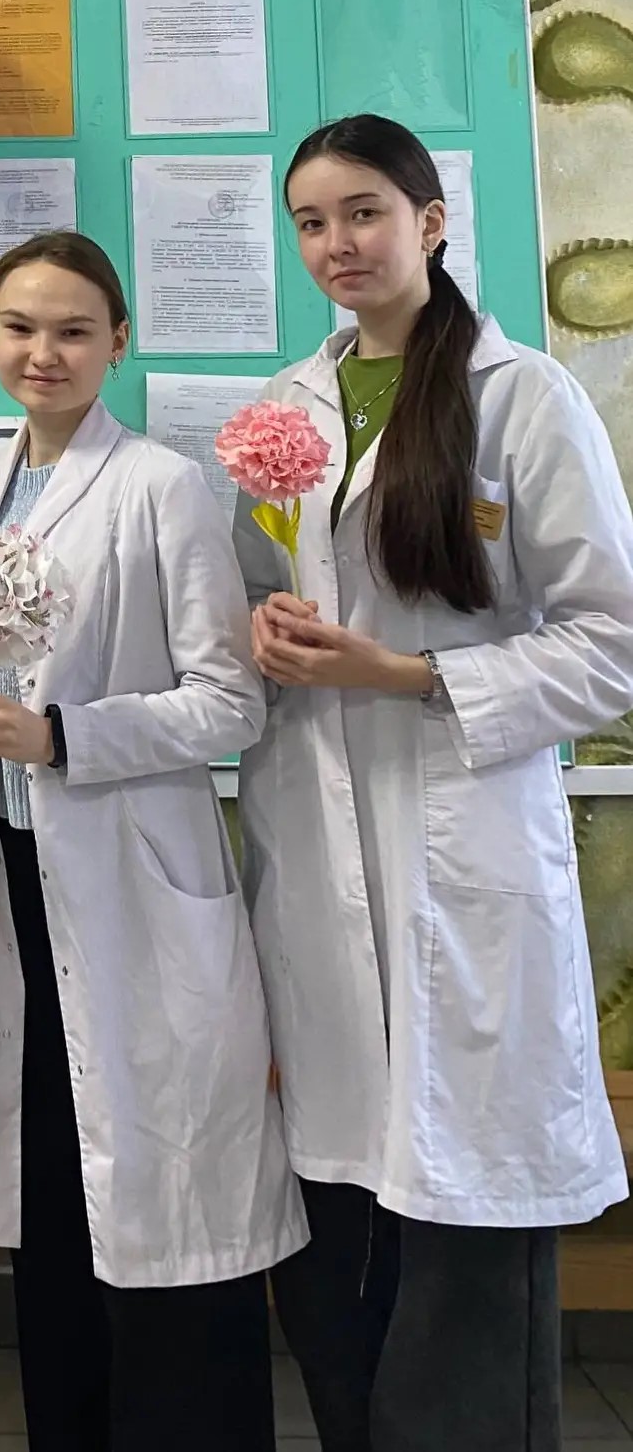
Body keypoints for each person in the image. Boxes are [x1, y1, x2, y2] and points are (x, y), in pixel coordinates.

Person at [0, 232, 304, 1451]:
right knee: (56, 1190)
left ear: (118, 342)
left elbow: (230, 704)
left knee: (165, 1198)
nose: (42, 352)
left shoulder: (162, 486)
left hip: (129, 884)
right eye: (19, 327)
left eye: (71, 330)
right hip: (11, 881)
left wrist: (59, 736)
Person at [237, 114, 633, 1452]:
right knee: (340, 1242)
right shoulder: (284, 409)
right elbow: (263, 596)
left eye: (361, 212)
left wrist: (408, 675)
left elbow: (610, 642)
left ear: (430, 219)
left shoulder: (523, 397)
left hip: (463, 846)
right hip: (318, 848)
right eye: (309, 222)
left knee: (464, 1236)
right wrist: (262, 628)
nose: (335, 244)